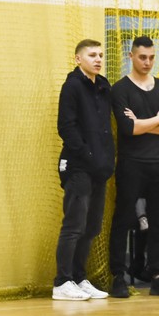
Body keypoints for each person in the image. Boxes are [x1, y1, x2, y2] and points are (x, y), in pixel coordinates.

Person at [109, 36, 159, 298]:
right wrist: (156, 119)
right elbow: (129, 129)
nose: (147, 62)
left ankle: (158, 276)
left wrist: (144, 123)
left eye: (151, 57)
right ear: (131, 56)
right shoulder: (120, 89)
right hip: (131, 164)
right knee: (123, 218)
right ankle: (118, 276)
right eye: (142, 57)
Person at [53, 39, 115, 301]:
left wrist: (106, 160)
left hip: (99, 168)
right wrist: (87, 154)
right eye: (92, 55)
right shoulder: (72, 86)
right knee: (74, 225)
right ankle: (62, 282)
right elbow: (66, 127)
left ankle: (79, 277)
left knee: (91, 227)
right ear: (78, 59)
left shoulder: (102, 86)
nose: (98, 59)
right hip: (78, 166)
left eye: (101, 55)